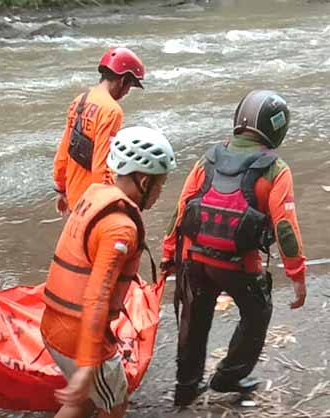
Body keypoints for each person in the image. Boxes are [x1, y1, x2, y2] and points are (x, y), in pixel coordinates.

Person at [161, 90, 307, 407]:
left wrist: (167, 255)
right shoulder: (275, 169)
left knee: (194, 320)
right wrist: (297, 276)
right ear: (276, 128)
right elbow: (285, 228)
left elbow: (181, 208)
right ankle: (228, 376)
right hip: (241, 266)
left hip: (194, 261)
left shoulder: (208, 158)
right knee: (257, 314)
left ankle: (185, 387)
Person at [41, 127, 177, 418]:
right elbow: (97, 296)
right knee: (115, 404)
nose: (159, 193)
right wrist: (88, 364)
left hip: (53, 326)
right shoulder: (121, 227)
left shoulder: (96, 194)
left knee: (86, 402)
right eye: (160, 185)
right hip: (78, 338)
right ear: (143, 180)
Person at [53, 46, 145, 216]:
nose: (126, 92)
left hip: (74, 199)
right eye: (129, 87)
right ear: (123, 81)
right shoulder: (111, 110)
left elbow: (63, 153)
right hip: (92, 206)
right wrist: (110, 206)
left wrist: (60, 190)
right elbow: (102, 168)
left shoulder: (79, 100)